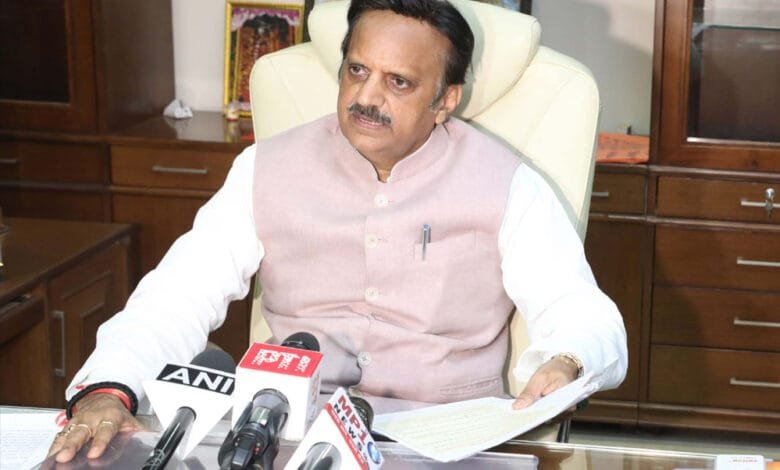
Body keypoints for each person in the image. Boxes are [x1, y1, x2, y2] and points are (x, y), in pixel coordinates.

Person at [48, 0, 627, 462]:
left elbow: (574, 305)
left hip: (442, 441)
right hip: (288, 433)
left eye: (399, 82)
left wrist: (568, 360)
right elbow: (178, 293)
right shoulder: (265, 167)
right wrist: (110, 388)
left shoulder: (507, 182)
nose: (367, 98)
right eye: (357, 71)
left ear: (446, 99)